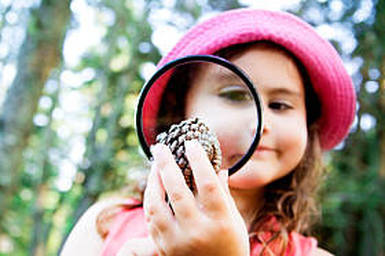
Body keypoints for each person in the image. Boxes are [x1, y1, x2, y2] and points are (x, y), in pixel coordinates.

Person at [61, 8, 356, 256]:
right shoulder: (105, 224)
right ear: (182, 111)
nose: (261, 122)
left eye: (280, 104)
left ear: (308, 126)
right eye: (234, 95)